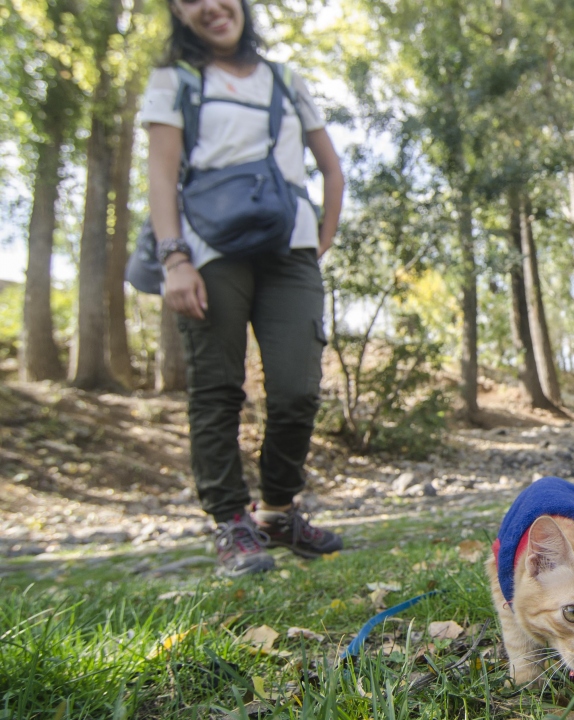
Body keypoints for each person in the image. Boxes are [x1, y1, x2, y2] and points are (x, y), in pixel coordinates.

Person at [141, 0, 346, 575]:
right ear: (178, 14)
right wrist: (174, 258)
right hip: (209, 251)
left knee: (297, 389)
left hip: (290, 251)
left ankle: (278, 512)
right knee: (216, 388)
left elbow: (330, 166)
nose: (209, 6)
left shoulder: (285, 78)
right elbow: (161, 172)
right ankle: (231, 522)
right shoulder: (174, 81)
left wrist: (320, 239)